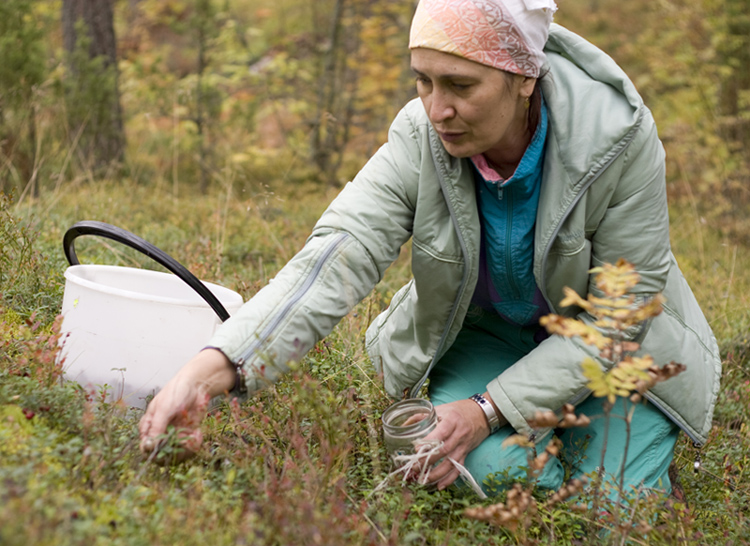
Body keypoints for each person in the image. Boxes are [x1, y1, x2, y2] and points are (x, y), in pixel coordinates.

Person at [139, 0, 721, 497]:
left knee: (611, 508)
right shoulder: (419, 134)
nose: (436, 109)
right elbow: (338, 255)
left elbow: (619, 319)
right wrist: (212, 369)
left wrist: (484, 411)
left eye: (461, 86)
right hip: (492, 335)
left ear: (524, 78)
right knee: (489, 474)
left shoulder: (617, 139)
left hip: (611, 350)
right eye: (424, 80)